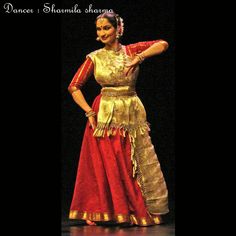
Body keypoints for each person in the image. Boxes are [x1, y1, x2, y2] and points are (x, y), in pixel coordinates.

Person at [68, 11, 169, 227]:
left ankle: (133, 209)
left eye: (107, 28)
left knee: (132, 161)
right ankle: (108, 210)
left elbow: (163, 43)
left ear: (118, 29)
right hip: (105, 113)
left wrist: (140, 57)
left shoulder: (130, 50)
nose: (102, 33)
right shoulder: (94, 57)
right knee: (108, 161)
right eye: (99, 29)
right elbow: (74, 87)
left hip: (131, 109)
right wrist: (89, 112)